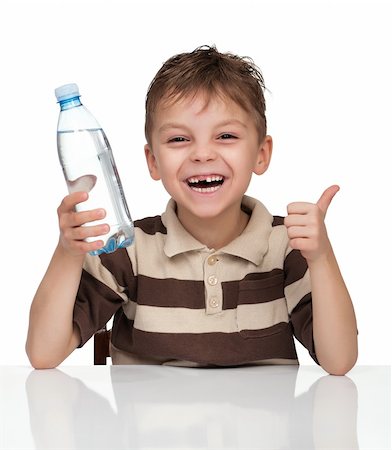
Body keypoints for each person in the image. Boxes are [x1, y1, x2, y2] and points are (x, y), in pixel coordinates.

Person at [26, 45, 358, 374]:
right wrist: (68, 252)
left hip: (261, 427)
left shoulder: (286, 244)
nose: (202, 154)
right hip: (144, 426)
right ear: (153, 161)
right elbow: (43, 353)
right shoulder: (130, 248)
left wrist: (321, 258)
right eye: (179, 140)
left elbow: (339, 361)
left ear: (261, 153)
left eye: (225, 135)